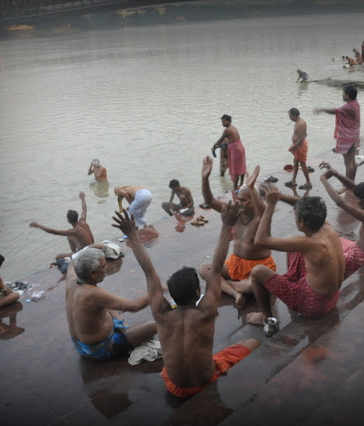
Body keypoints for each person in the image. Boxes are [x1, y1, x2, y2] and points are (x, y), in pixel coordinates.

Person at [115, 205, 259, 398]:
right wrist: (226, 225)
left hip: (175, 387)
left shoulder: (162, 313)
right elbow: (216, 269)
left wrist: (132, 235)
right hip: (205, 381)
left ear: (172, 296)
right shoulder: (205, 312)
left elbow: (149, 272)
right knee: (253, 342)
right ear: (198, 292)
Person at [245, 185, 345, 325]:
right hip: (332, 298)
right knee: (292, 248)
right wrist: (280, 196)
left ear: (302, 222)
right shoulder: (326, 227)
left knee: (257, 272)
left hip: (314, 306)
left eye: (296, 216)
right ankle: (292, 281)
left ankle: (266, 317)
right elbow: (304, 204)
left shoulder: (309, 244)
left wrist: (270, 206)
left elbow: (260, 240)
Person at [198, 157, 276, 308]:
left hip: (258, 268)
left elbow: (264, 210)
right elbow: (210, 201)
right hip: (235, 264)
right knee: (204, 269)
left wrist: (252, 188)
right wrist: (204, 179)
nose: (239, 203)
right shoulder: (235, 211)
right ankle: (235, 293)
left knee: (252, 285)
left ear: (253, 200)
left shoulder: (262, 218)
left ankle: (224, 285)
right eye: (238, 199)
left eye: (244, 200)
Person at [66, 241, 157, 361]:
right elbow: (135, 306)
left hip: (79, 345)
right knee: (153, 326)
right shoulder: (94, 294)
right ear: (92, 273)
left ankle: (122, 328)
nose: (106, 268)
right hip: (99, 350)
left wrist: (96, 247)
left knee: (109, 304)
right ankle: (123, 338)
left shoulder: (71, 278)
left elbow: (74, 260)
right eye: (103, 267)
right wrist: (157, 290)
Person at [318, 162, 364, 278]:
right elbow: (353, 187)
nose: (356, 202)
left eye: (358, 200)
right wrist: (336, 174)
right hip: (361, 246)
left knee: (325, 267)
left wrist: (323, 179)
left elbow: (340, 202)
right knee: (332, 239)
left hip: (362, 255)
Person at [314, 85, 362, 185]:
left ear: (348, 95)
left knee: (348, 163)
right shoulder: (355, 104)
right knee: (352, 161)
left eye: (343, 93)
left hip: (347, 137)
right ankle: (352, 182)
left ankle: (348, 185)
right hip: (354, 136)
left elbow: (335, 111)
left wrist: (322, 109)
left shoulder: (347, 106)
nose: (342, 95)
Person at [30, 192, 95, 253]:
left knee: (58, 256)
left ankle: (74, 254)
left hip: (87, 251)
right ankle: (74, 253)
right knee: (70, 236)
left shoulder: (75, 231)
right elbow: (84, 209)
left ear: (69, 221)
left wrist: (38, 225)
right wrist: (83, 198)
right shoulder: (82, 220)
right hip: (93, 246)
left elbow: (54, 232)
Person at [212, 114, 247, 190]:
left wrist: (214, 146)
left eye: (224, 121)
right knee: (241, 166)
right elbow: (231, 140)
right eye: (222, 121)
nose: (223, 123)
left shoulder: (227, 130)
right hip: (239, 147)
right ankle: (241, 184)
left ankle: (235, 187)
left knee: (237, 169)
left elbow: (220, 139)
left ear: (229, 121)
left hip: (236, 150)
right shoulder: (233, 127)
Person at [285, 108, 312, 190]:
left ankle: (308, 182)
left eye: (290, 116)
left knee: (303, 164)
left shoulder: (301, 124)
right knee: (295, 162)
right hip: (297, 145)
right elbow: (304, 134)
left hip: (300, 146)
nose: (290, 118)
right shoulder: (297, 122)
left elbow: (303, 136)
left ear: (295, 115)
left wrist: (295, 145)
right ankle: (293, 180)